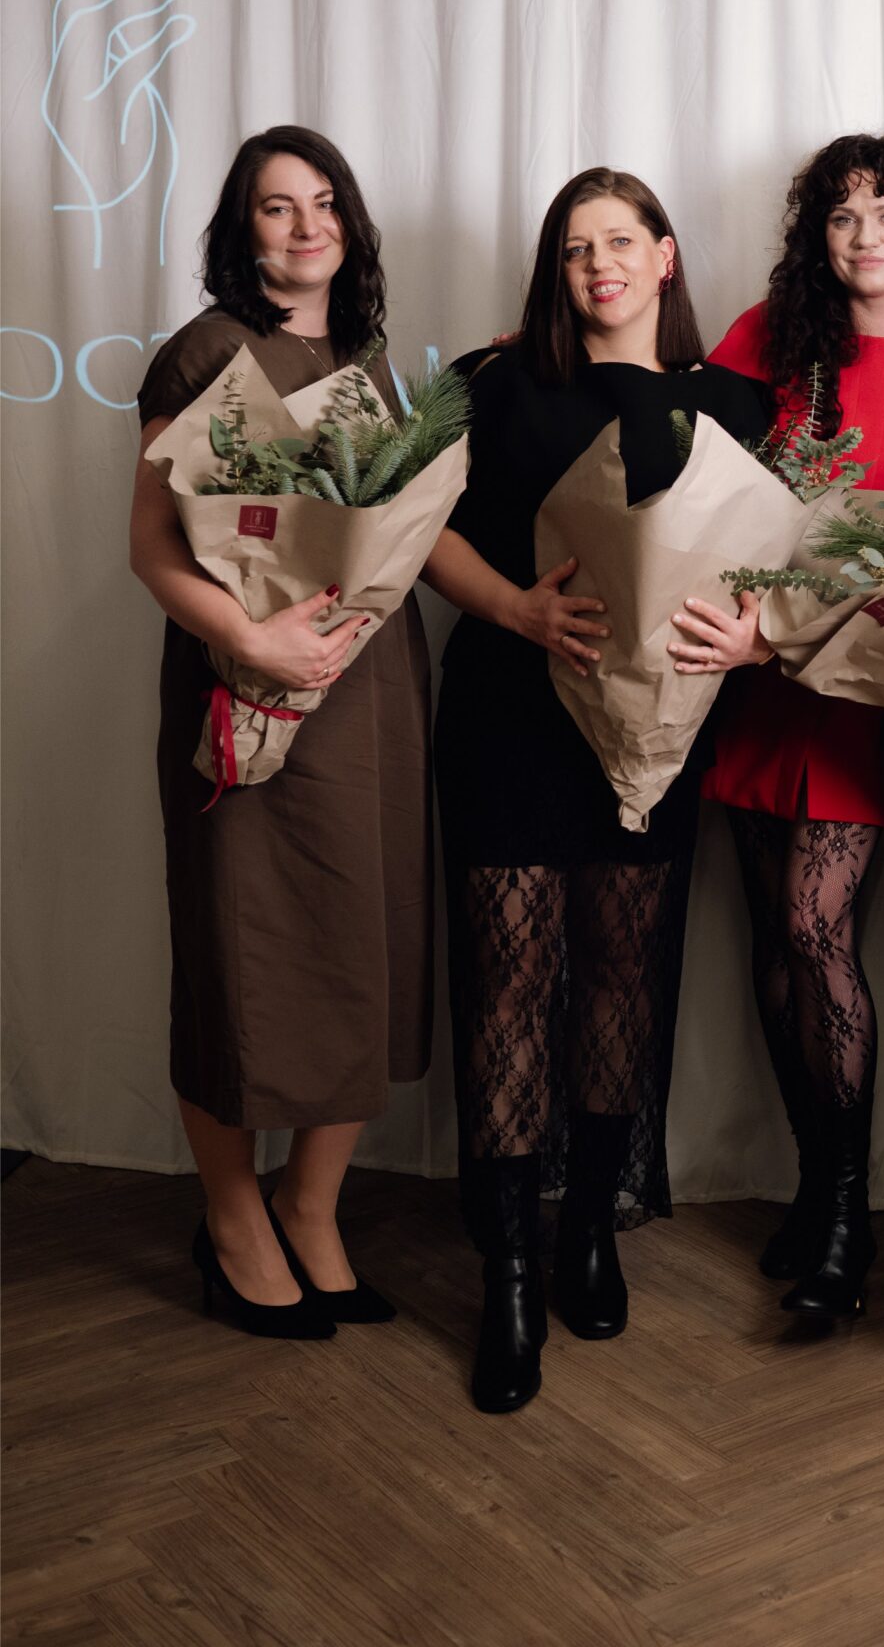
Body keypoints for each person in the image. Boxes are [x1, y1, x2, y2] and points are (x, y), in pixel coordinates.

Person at [424, 167, 769, 1413]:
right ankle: (510, 1269)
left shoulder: (734, 405)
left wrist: (756, 638)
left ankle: (589, 1231)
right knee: (511, 980)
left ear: (665, 256)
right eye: (575, 249)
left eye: (620, 241)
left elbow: (777, 565)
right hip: (510, 713)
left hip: (648, 728)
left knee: (625, 972)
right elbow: (420, 527)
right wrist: (513, 608)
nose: (598, 265)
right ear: (554, 270)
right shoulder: (493, 379)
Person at [130, 125, 433, 1338]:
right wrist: (252, 641)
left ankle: (311, 1206)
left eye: (324, 203)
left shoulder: (368, 360)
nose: (306, 226)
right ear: (240, 229)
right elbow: (152, 548)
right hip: (246, 687)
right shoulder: (205, 351)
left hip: (368, 689)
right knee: (240, 957)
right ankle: (232, 1218)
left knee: (366, 948)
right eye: (276, 206)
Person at [671, 135, 884, 1324]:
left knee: (815, 926)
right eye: (843, 216)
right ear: (819, 236)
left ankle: (849, 1211)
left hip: (863, 682)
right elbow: (693, 464)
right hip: (752, 673)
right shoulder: (770, 337)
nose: (866, 236)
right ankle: (815, 1182)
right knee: (770, 938)